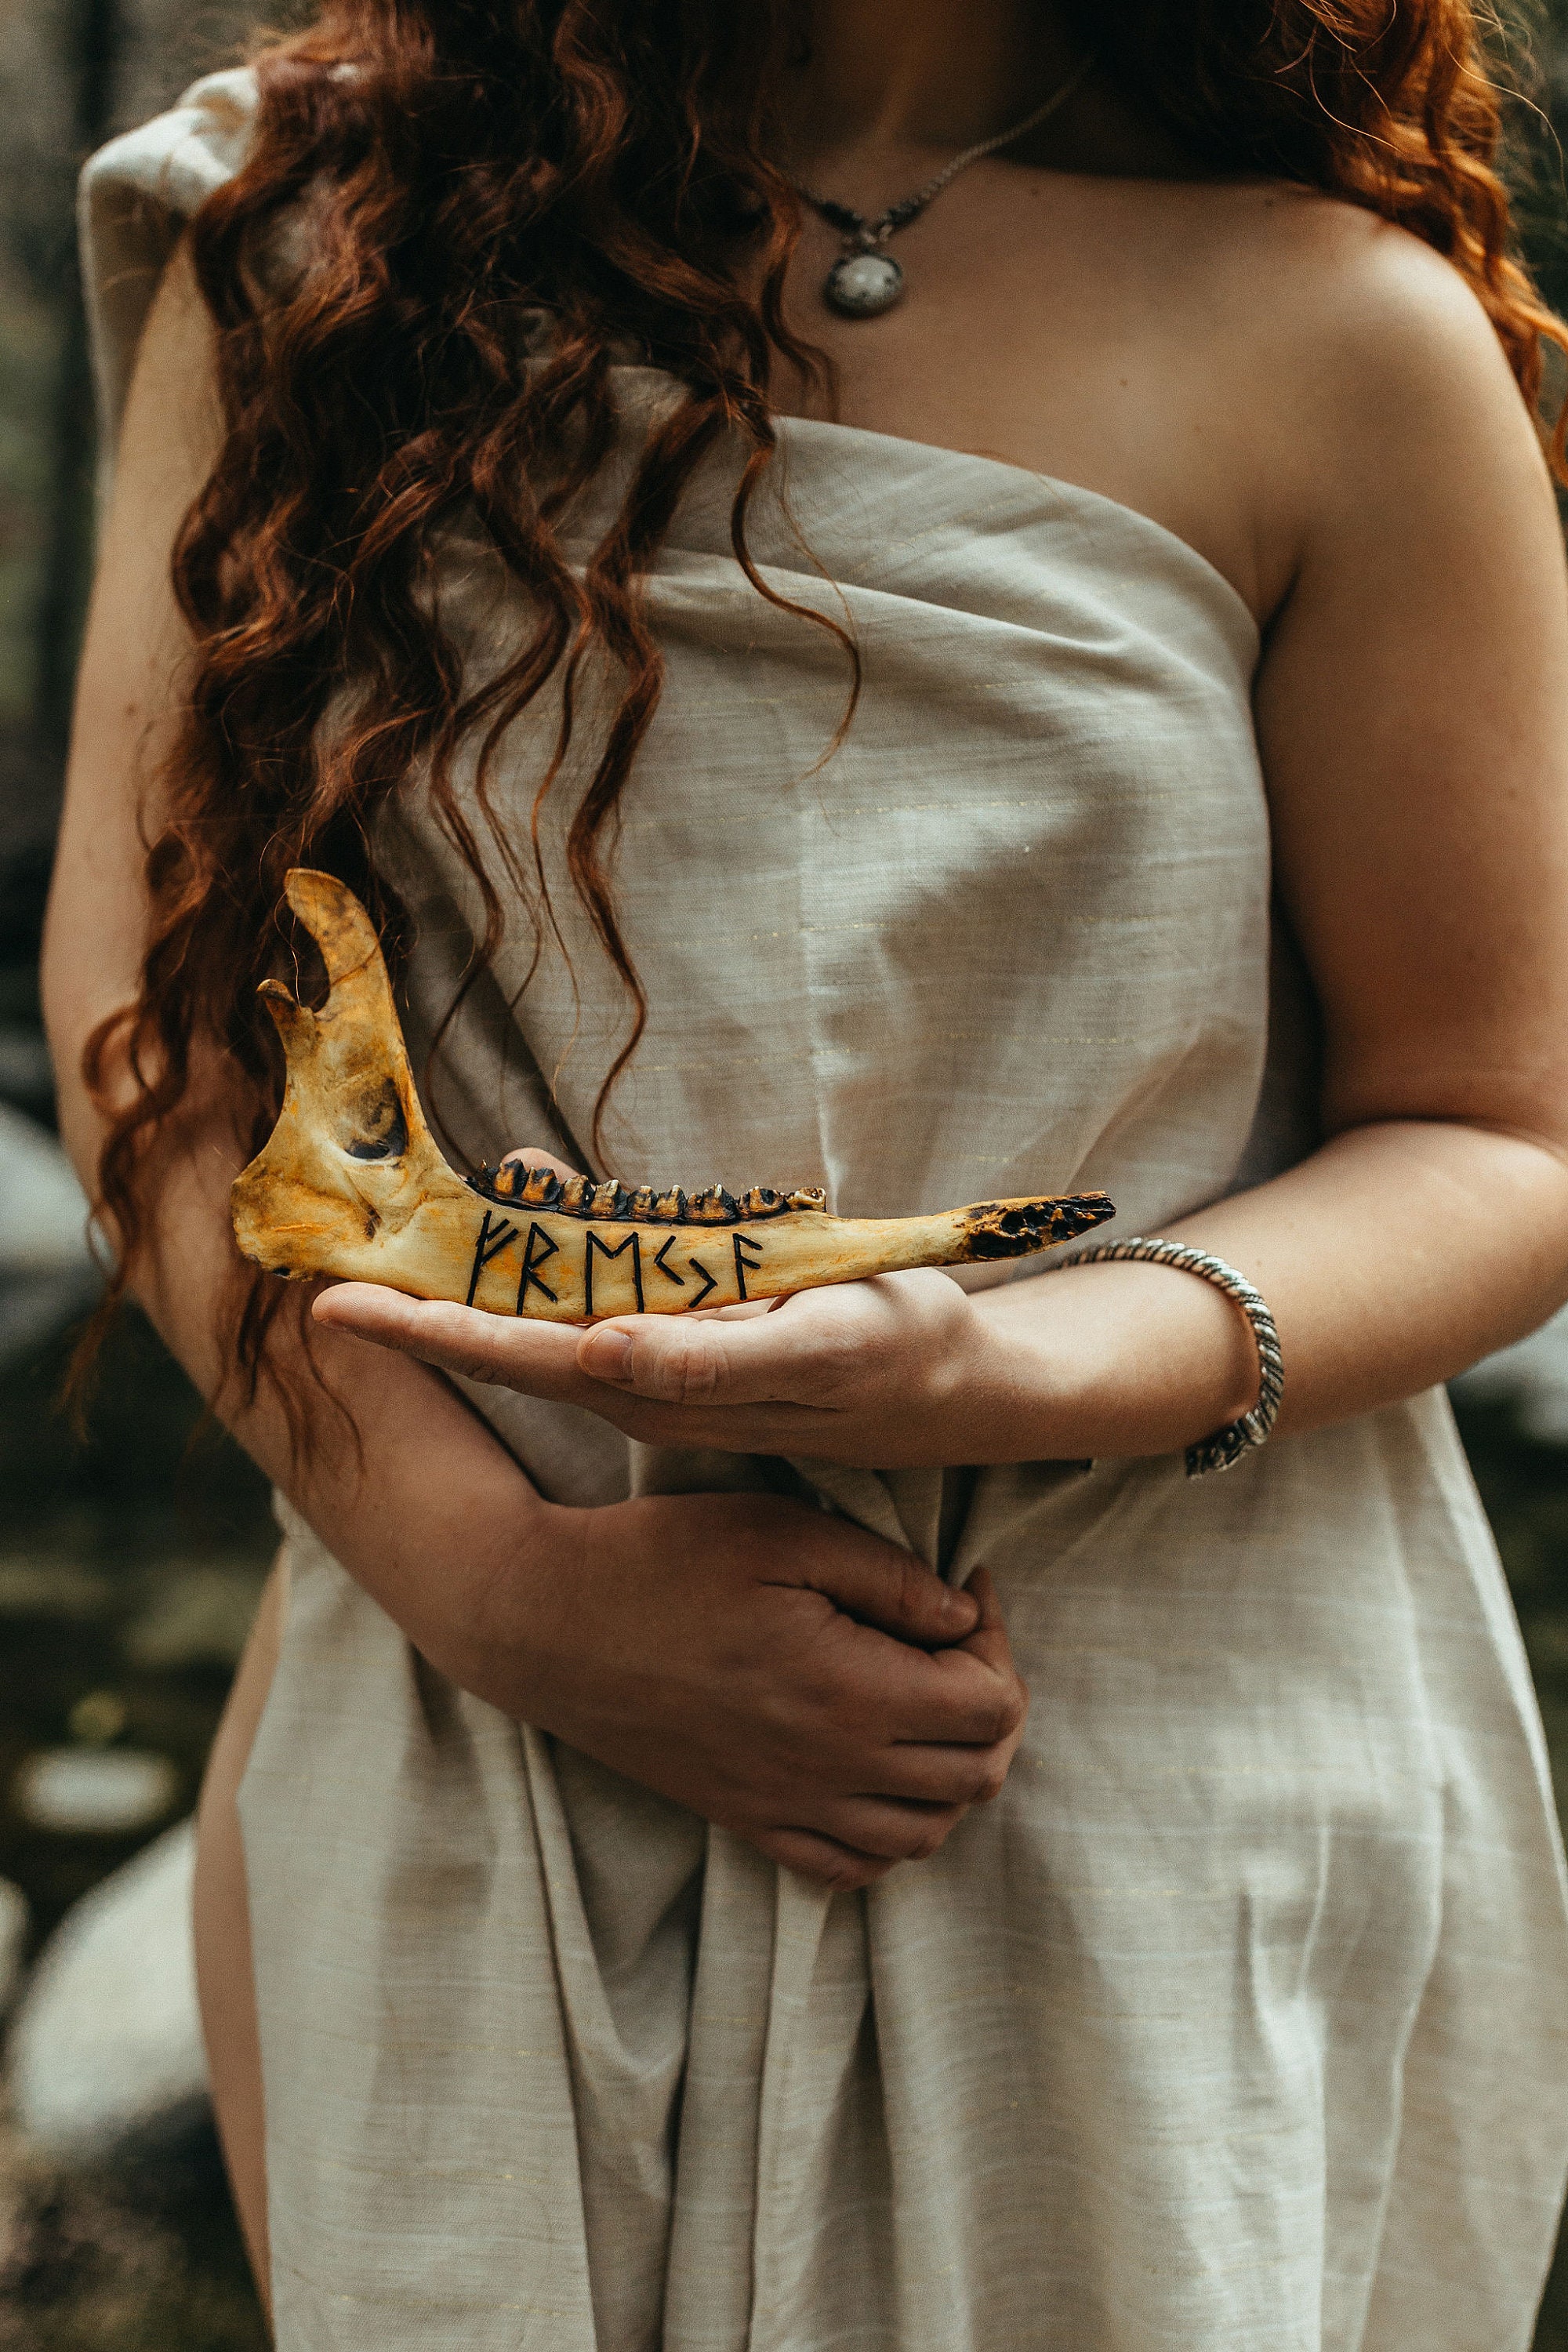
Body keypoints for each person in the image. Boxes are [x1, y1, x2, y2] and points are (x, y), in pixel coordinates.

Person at [41, 2, 1568, 2343]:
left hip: (1133, 1757)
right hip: (489, 1733)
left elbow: (1494, 1133)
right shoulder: (311, 240)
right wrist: (512, 1596)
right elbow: (162, 1043)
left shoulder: (1342, 331)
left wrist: (1012, 1367)